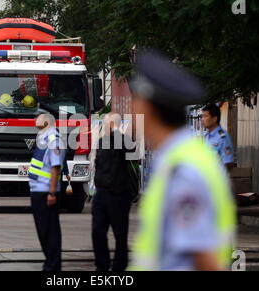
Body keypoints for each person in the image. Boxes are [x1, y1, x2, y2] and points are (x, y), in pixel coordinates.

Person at [128, 51, 236, 271]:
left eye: (134, 101)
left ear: (145, 108)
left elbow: (204, 258)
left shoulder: (183, 168)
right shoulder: (181, 156)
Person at [92, 112, 136, 272]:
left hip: (118, 195)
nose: (103, 127)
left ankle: (119, 268)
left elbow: (132, 147)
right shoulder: (102, 142)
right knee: (97, 232)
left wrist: (116, 129)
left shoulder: (122, 141)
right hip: (101, 194)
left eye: (106, 124)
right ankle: (102, 266)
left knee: (120, 235)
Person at [28, 110, 66, 271]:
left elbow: (55, 167)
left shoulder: (53, 139)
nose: (35, 118)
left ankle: (53, 265)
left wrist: (52, 192)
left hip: (45, 192)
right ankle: (50, 262)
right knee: (43, 230)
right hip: (38, 190)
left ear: (48, 120)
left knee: (49, 230)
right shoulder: (43, 138)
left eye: (38, 116)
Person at [201, 104, 235, 171]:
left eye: (205, 116)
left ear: (214, 119)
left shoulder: (223, 137)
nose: (202, 119)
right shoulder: (207, 136)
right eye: (202, 116)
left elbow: (229, 163)